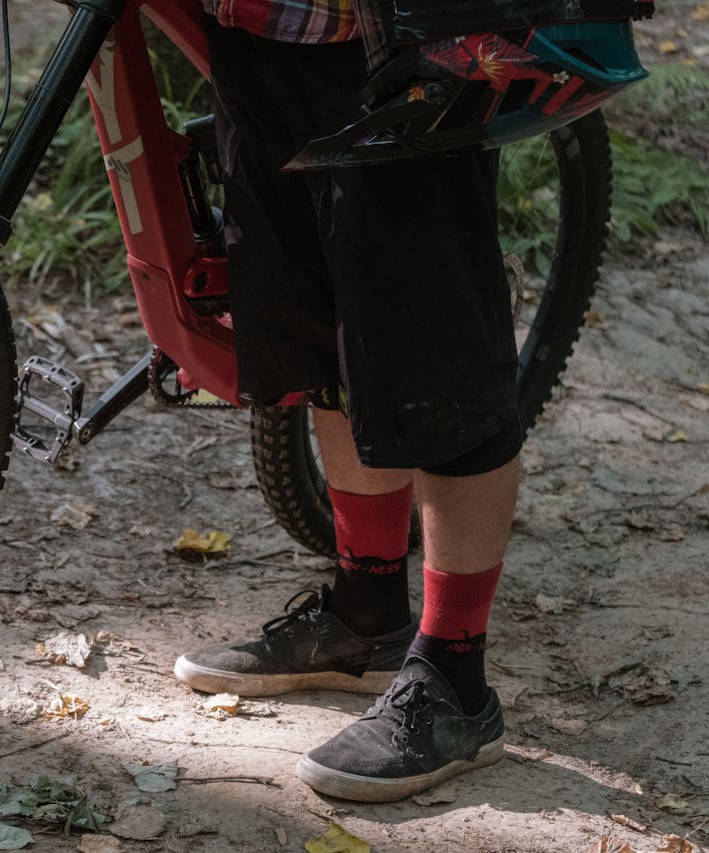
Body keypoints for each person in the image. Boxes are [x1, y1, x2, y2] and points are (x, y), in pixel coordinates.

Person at [172, 0, 522, 803]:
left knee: (441, 358)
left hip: (400, 41)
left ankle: (456, 680)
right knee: (320, 330)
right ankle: (365, 611)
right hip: (260, 27)